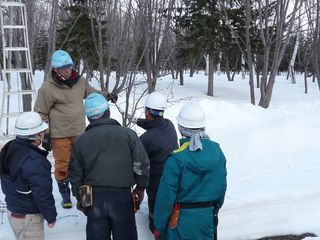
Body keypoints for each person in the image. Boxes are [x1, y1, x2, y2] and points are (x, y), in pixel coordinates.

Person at [34, 49, 117, 209]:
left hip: (80, 132)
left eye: (70, 66)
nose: (68, 70)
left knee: (85, 164)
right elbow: (41, 112)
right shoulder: (47, 88)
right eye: (64, 67)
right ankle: (66, 197)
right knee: (63, 166)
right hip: (59, 135)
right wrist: (45, 134)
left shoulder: (80, 81)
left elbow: (93, 94)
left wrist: (107, 96)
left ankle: (84, 196)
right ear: (56, 70)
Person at [68, 93, 150, 240]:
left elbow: (75, 175)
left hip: (94, 201)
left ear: (88, 117)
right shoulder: (128, 135)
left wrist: (82, 199)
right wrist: (140, 187)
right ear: (108, 112)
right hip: (122, 198)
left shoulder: (80, 142)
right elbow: (141, 165)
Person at [153, 102, 227, 240]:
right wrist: (213, 209)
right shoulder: (218, 153)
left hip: (180, 221)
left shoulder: (176, 159)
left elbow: (166, 196)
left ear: (180, 128)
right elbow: (222, 187)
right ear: (203, 126)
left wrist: (159, 225)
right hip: (207, 218)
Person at [0, 112, 57, 240]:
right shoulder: (34, 161)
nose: (44, 135)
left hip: (13, 212)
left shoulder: (10, 148)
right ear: (35, 135)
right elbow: (42, 193)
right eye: (42, 132)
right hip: (28, 217)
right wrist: (50, 216)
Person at [129, 91, 178, 234]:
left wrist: (139, 186)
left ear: (148, 112)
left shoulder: (146, 139)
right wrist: (137, 121)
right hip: (173, 176)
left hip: (156, 181)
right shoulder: (169, 125)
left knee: (156, 207)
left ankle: (156, 226)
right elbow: (155, 125)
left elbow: (140, 165)